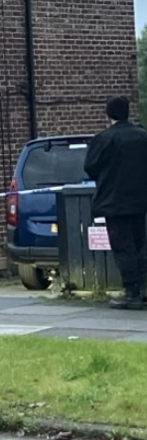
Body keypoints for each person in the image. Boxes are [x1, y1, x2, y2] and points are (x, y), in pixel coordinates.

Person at [84, 96, 147, 310]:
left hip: (115, 201)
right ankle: (143, 288)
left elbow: (90, 167)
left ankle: (132, 292)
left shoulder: (103, 139)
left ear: (108, 115)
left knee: (123, 248)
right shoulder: (142, 136)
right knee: (140, 245)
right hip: (140, 201)